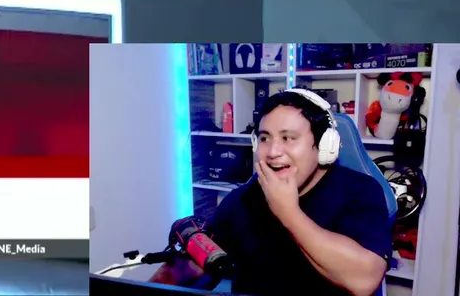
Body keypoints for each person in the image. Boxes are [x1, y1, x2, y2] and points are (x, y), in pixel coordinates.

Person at [151, 89, 392, 296]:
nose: (274, 151)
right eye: (265, 138)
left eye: (288, 138)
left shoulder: (360, 191)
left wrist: (288, 213)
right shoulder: (243, 199)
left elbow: (364, 281)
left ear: (324, 146)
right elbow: (195, 266)